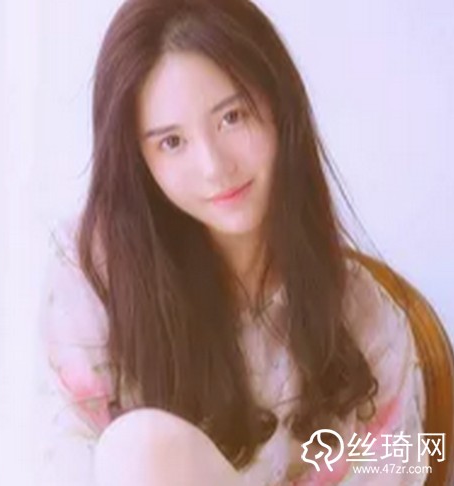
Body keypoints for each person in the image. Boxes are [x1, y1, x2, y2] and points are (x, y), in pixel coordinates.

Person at [35, 0, 428, 484]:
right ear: (139, 159)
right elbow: (66, 456)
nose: (214, 167)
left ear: (280, 106)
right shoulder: (95, 271)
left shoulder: (364, 316)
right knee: (141, 447)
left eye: (232, 117)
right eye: (171, 142)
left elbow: (397, 470)